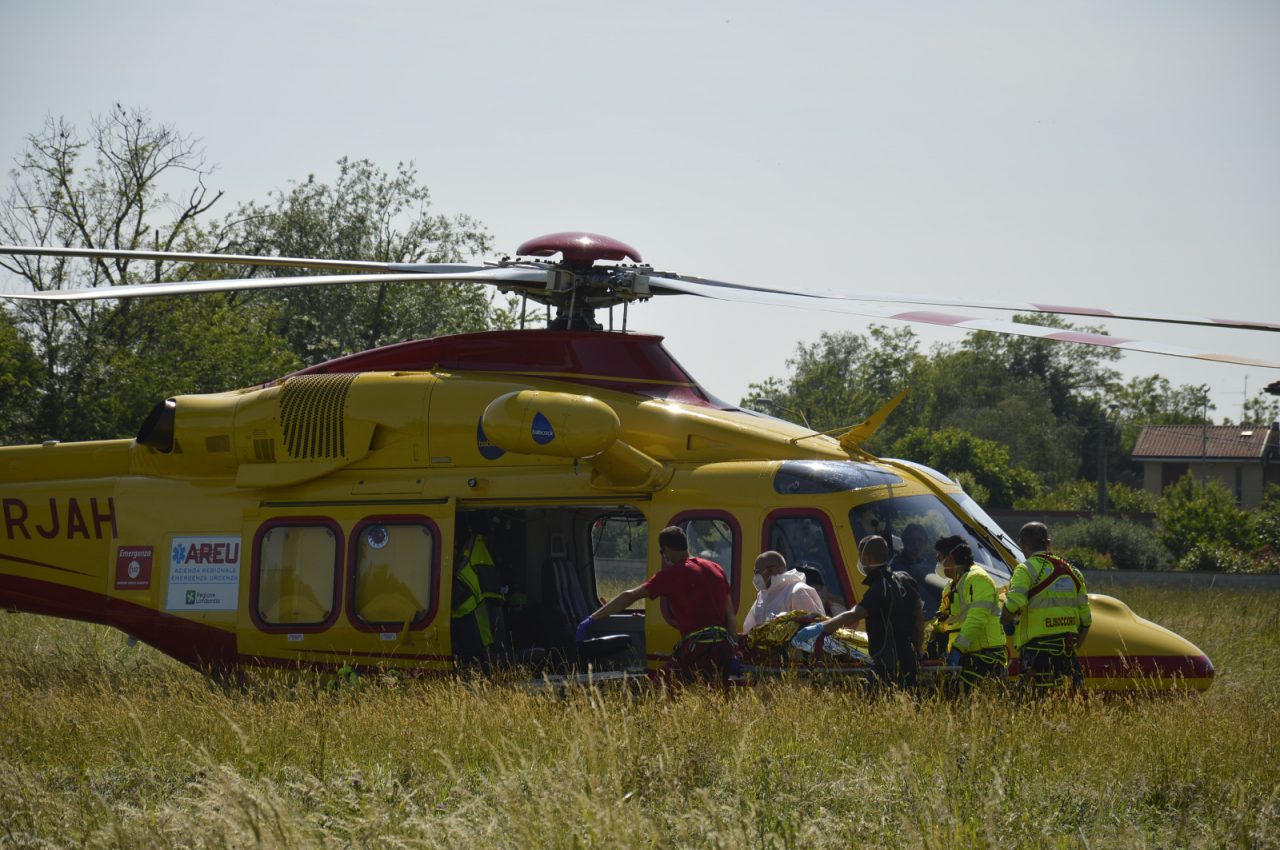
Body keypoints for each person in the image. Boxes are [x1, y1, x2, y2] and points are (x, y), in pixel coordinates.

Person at [577, 525, 737, 684]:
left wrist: (592, 618)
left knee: (657, 688)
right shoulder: (717, 569)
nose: (663, 556)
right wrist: (733, 652)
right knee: (713, 695)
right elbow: (730, 616)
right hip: (722, 648)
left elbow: (630, 596)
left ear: (667, 549)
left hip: (697, 649)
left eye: (662, 551)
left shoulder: (671, 574)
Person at [800, 535, 924, 689]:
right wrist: (917, 651)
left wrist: (822, 627)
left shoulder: (879, 588)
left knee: (875, 703)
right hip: (909, 659)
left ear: (866, 557)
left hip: (886, 663)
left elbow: (854, 614)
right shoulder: (906, 580)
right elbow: (919, 619)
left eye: (860, 555)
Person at [1001, 522, 1091, 694]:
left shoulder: (1025, 570)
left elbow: (1013, 604)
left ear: (1021, 543)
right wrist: (1073, 651)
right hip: (1067, 653)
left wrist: (1004, 621)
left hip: (1037, 653)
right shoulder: (1073, 572)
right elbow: (1086, 621)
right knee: (1066, 706)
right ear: (1048, 542)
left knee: (1032, 705)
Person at [935, 535, 1006, 691]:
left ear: (951, 558)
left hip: (984, 654)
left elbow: (977, 618)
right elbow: (945, 617)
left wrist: (957, 649)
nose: (938, 564)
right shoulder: (951, 585)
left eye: (939, 558)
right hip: (965, 653)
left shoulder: (977, 579)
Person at [741, 551, 825, 632]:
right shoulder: (762, 596)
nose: (755, 577)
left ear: (771, 570)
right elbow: (749, 629)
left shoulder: (798, 591)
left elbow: (813, 630)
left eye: (757, 572)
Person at [890, 523, 943, 617]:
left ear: (926, 543)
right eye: (912, 540)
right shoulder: (895, 568)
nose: (916, 544)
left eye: (920, 540)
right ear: (904, 541)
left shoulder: (930, 565)